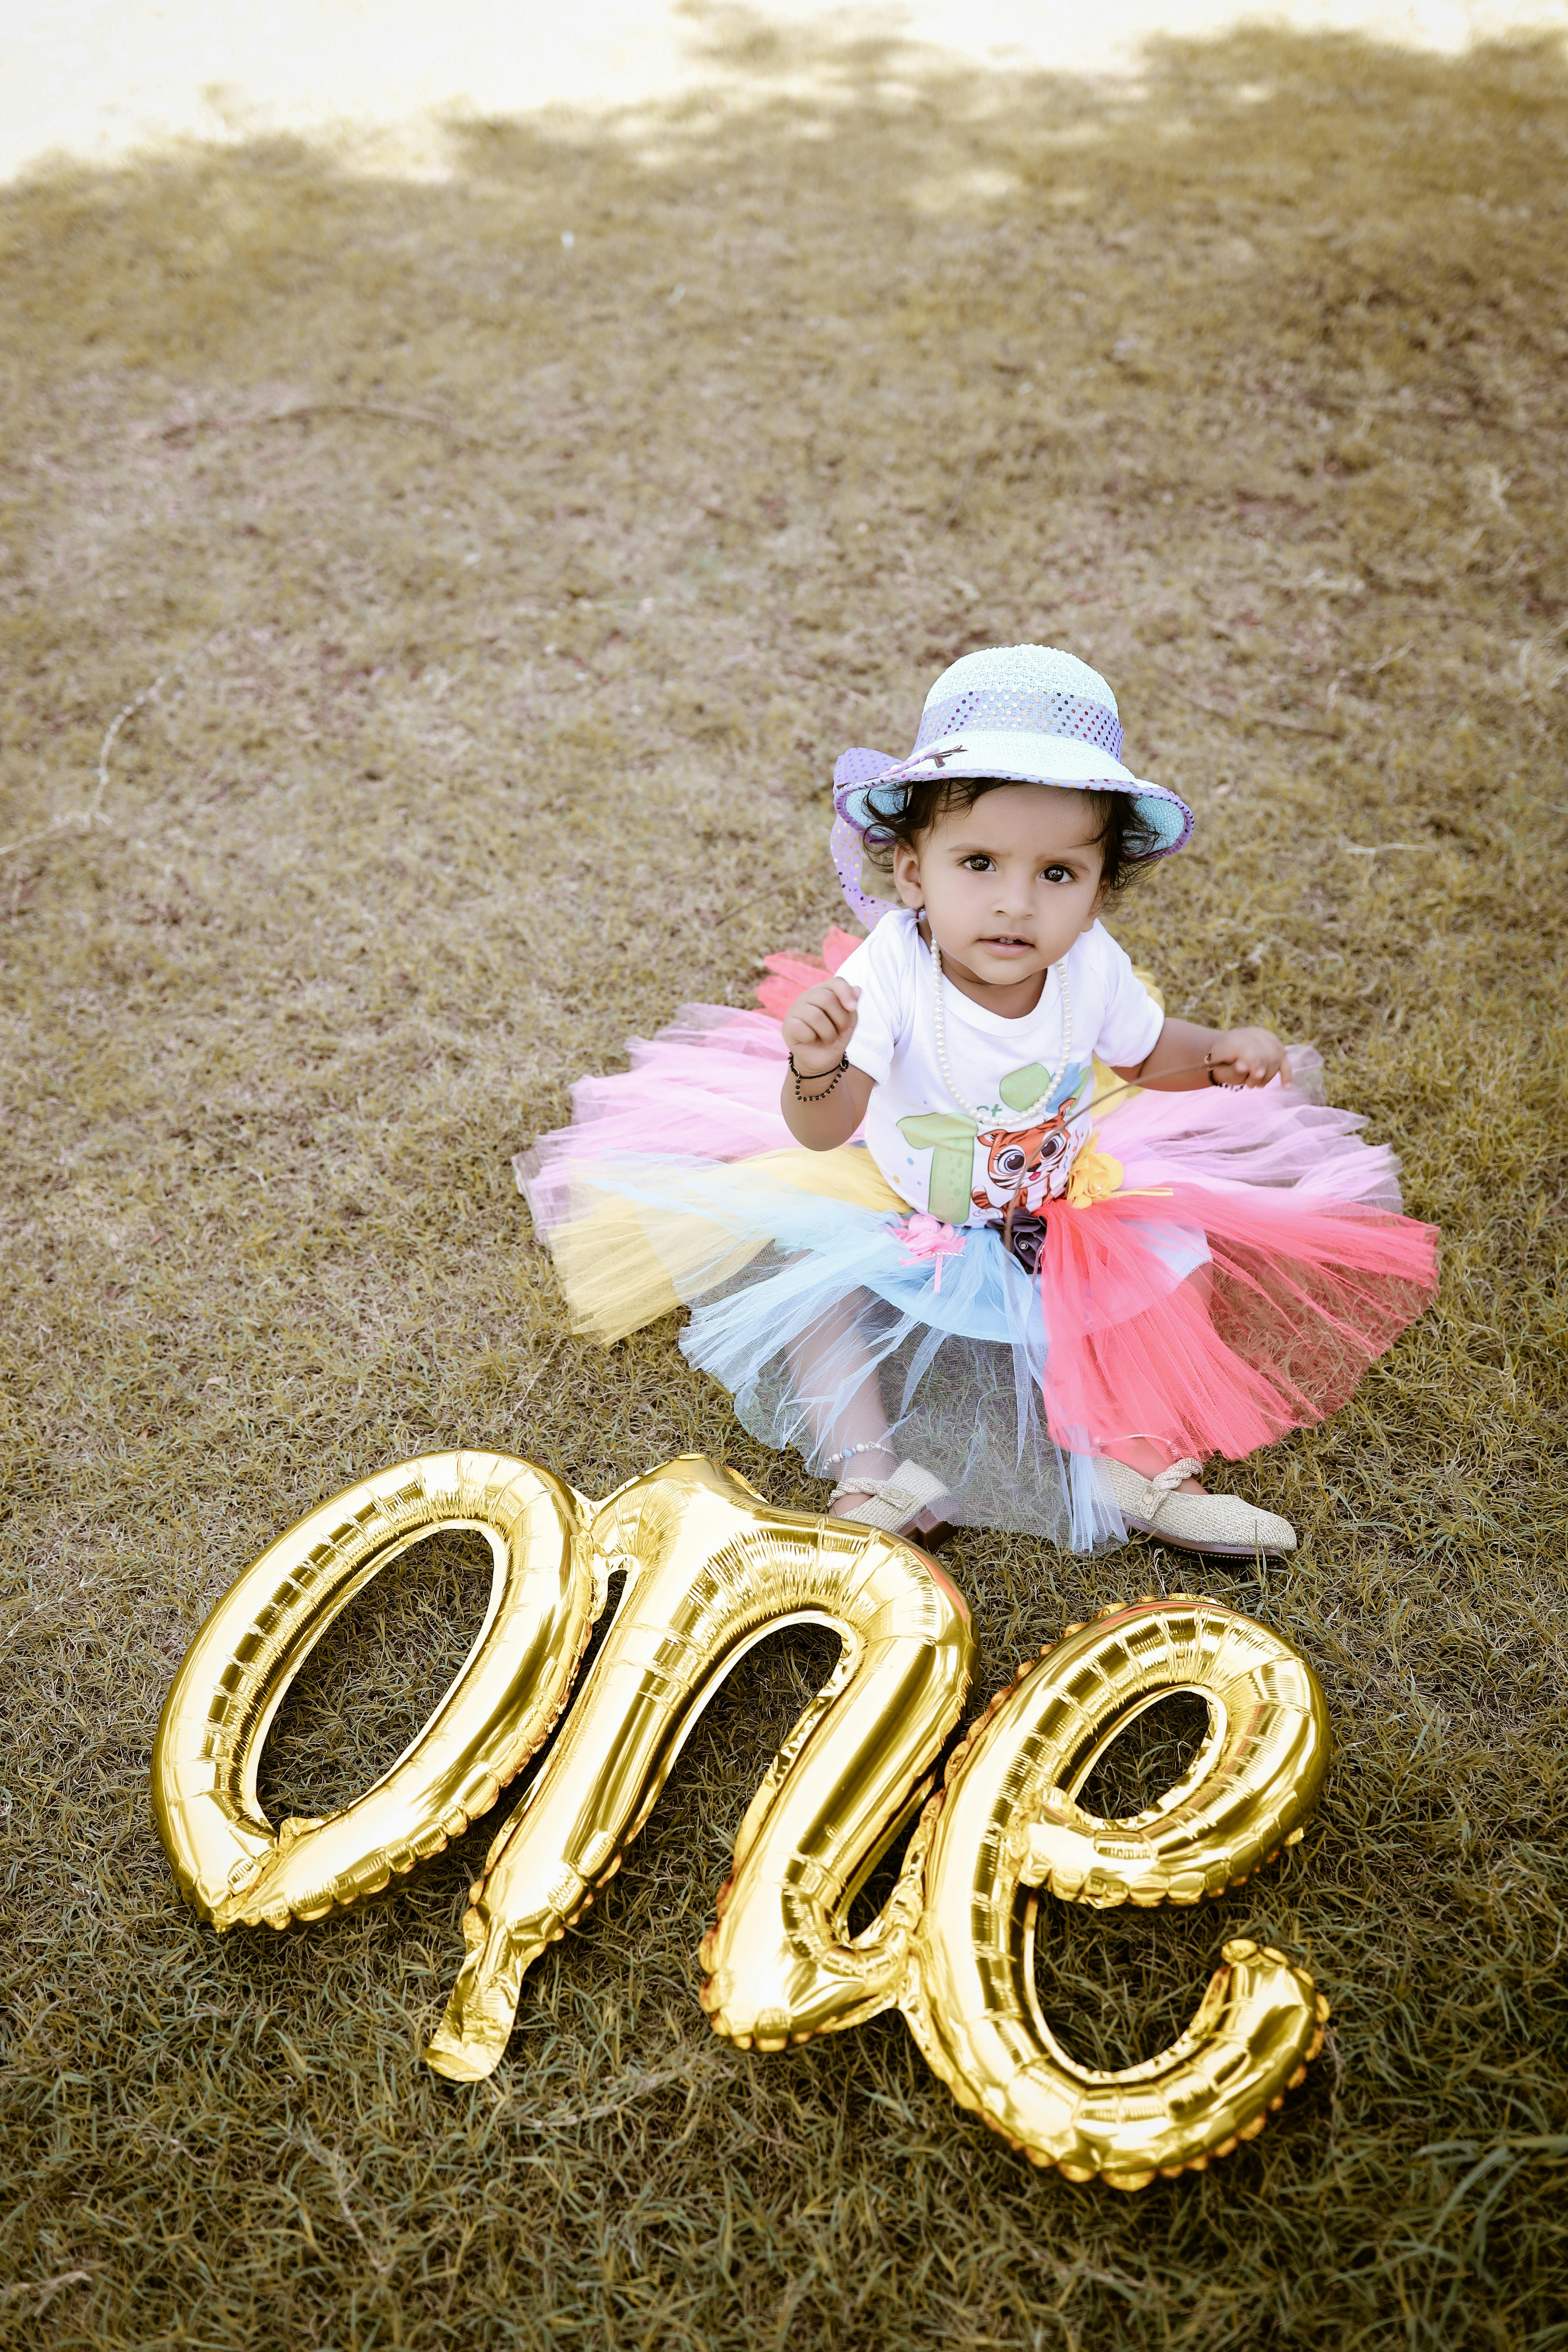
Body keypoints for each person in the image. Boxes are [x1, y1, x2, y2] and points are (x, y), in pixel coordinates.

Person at [518, 645, 1437, 1559]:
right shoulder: (891, 977)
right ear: (914, 873)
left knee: (1173, 1253)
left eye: (1057, 875)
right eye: (980, 863)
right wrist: (817, 1065)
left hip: (1060, 1199)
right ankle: (873, 1472)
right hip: (905, 1201)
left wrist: (1221, 1055)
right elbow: (826, 1127)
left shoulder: (1090, 965)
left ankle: (1149, 1465)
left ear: (1099, 892)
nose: (1016, 904)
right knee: (811, 1279)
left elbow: (1150, 1052)